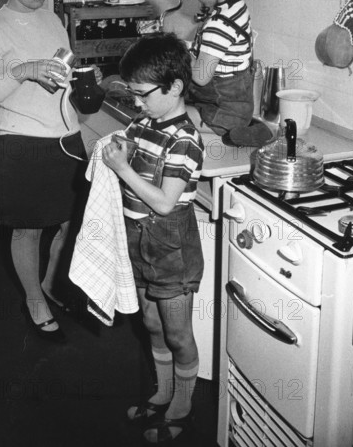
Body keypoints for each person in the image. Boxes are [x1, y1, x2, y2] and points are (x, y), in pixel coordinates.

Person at [0, 0, 88, 343]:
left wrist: (81, 82)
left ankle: (52, 282)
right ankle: (34, 299)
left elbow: (62, 71)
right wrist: (23, 71)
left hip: (67, 134)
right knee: (28, 230)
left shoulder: (52, 17)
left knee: (74, 222)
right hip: (25, 142)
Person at [101, 32, 204, 444]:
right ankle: (162, 391)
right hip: (137, 240)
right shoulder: (145, 122)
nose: (137, 103)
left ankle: (183, 404)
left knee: (178, 334)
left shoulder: (185, 140)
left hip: (170, 246)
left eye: (142, 94)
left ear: (174, 87)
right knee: (150, 323)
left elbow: (164, 203)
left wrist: (123, 169)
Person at [173, 0, 273, 146]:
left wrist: (182, 51)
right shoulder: (236, 6)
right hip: (236, 108)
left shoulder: (220, 23)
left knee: (166, 113)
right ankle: (245, 128)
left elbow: (200, 77)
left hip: (219, 114)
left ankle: (237, 132)